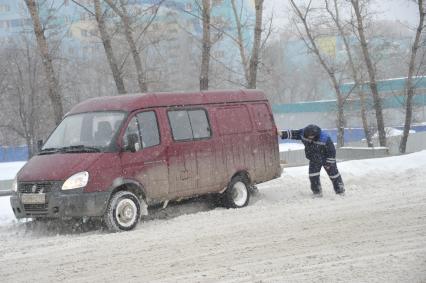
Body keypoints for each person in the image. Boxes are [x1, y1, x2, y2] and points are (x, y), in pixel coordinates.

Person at [279, 124, 345, 197]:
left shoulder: (324, 138)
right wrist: (282, 134)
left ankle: (340, 190)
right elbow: (294, 133)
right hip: (314, 158)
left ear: (316, 134)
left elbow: (332, 151)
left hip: (326, 158)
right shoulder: (303, 133)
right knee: (313, 175)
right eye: (308, 137)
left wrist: (329, 163)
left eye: (312, 137)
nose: (310, 138)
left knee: (334, 175)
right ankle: (317, 192)